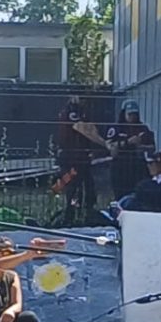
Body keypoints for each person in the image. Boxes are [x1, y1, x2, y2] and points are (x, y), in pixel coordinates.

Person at [55, 97, 106, 226]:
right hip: (71, 158)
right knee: (73, 188)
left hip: (82, 158)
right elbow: (82, 128)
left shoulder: (83, 111)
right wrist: (104, 144)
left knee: (89, 187)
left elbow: (91, 128)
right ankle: (70, 217)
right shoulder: (72, 111)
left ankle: (86, 214)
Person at [105, 100, 156, 201]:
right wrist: (127, 142)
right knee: (120, 197)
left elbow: (152, 148)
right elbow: (111, 148)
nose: (133, 117)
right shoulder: (116, 129)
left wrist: (141, 146)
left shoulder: (143, 128)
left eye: (135, 114)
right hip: (120, 168)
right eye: (130, 114)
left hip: (138, 167)